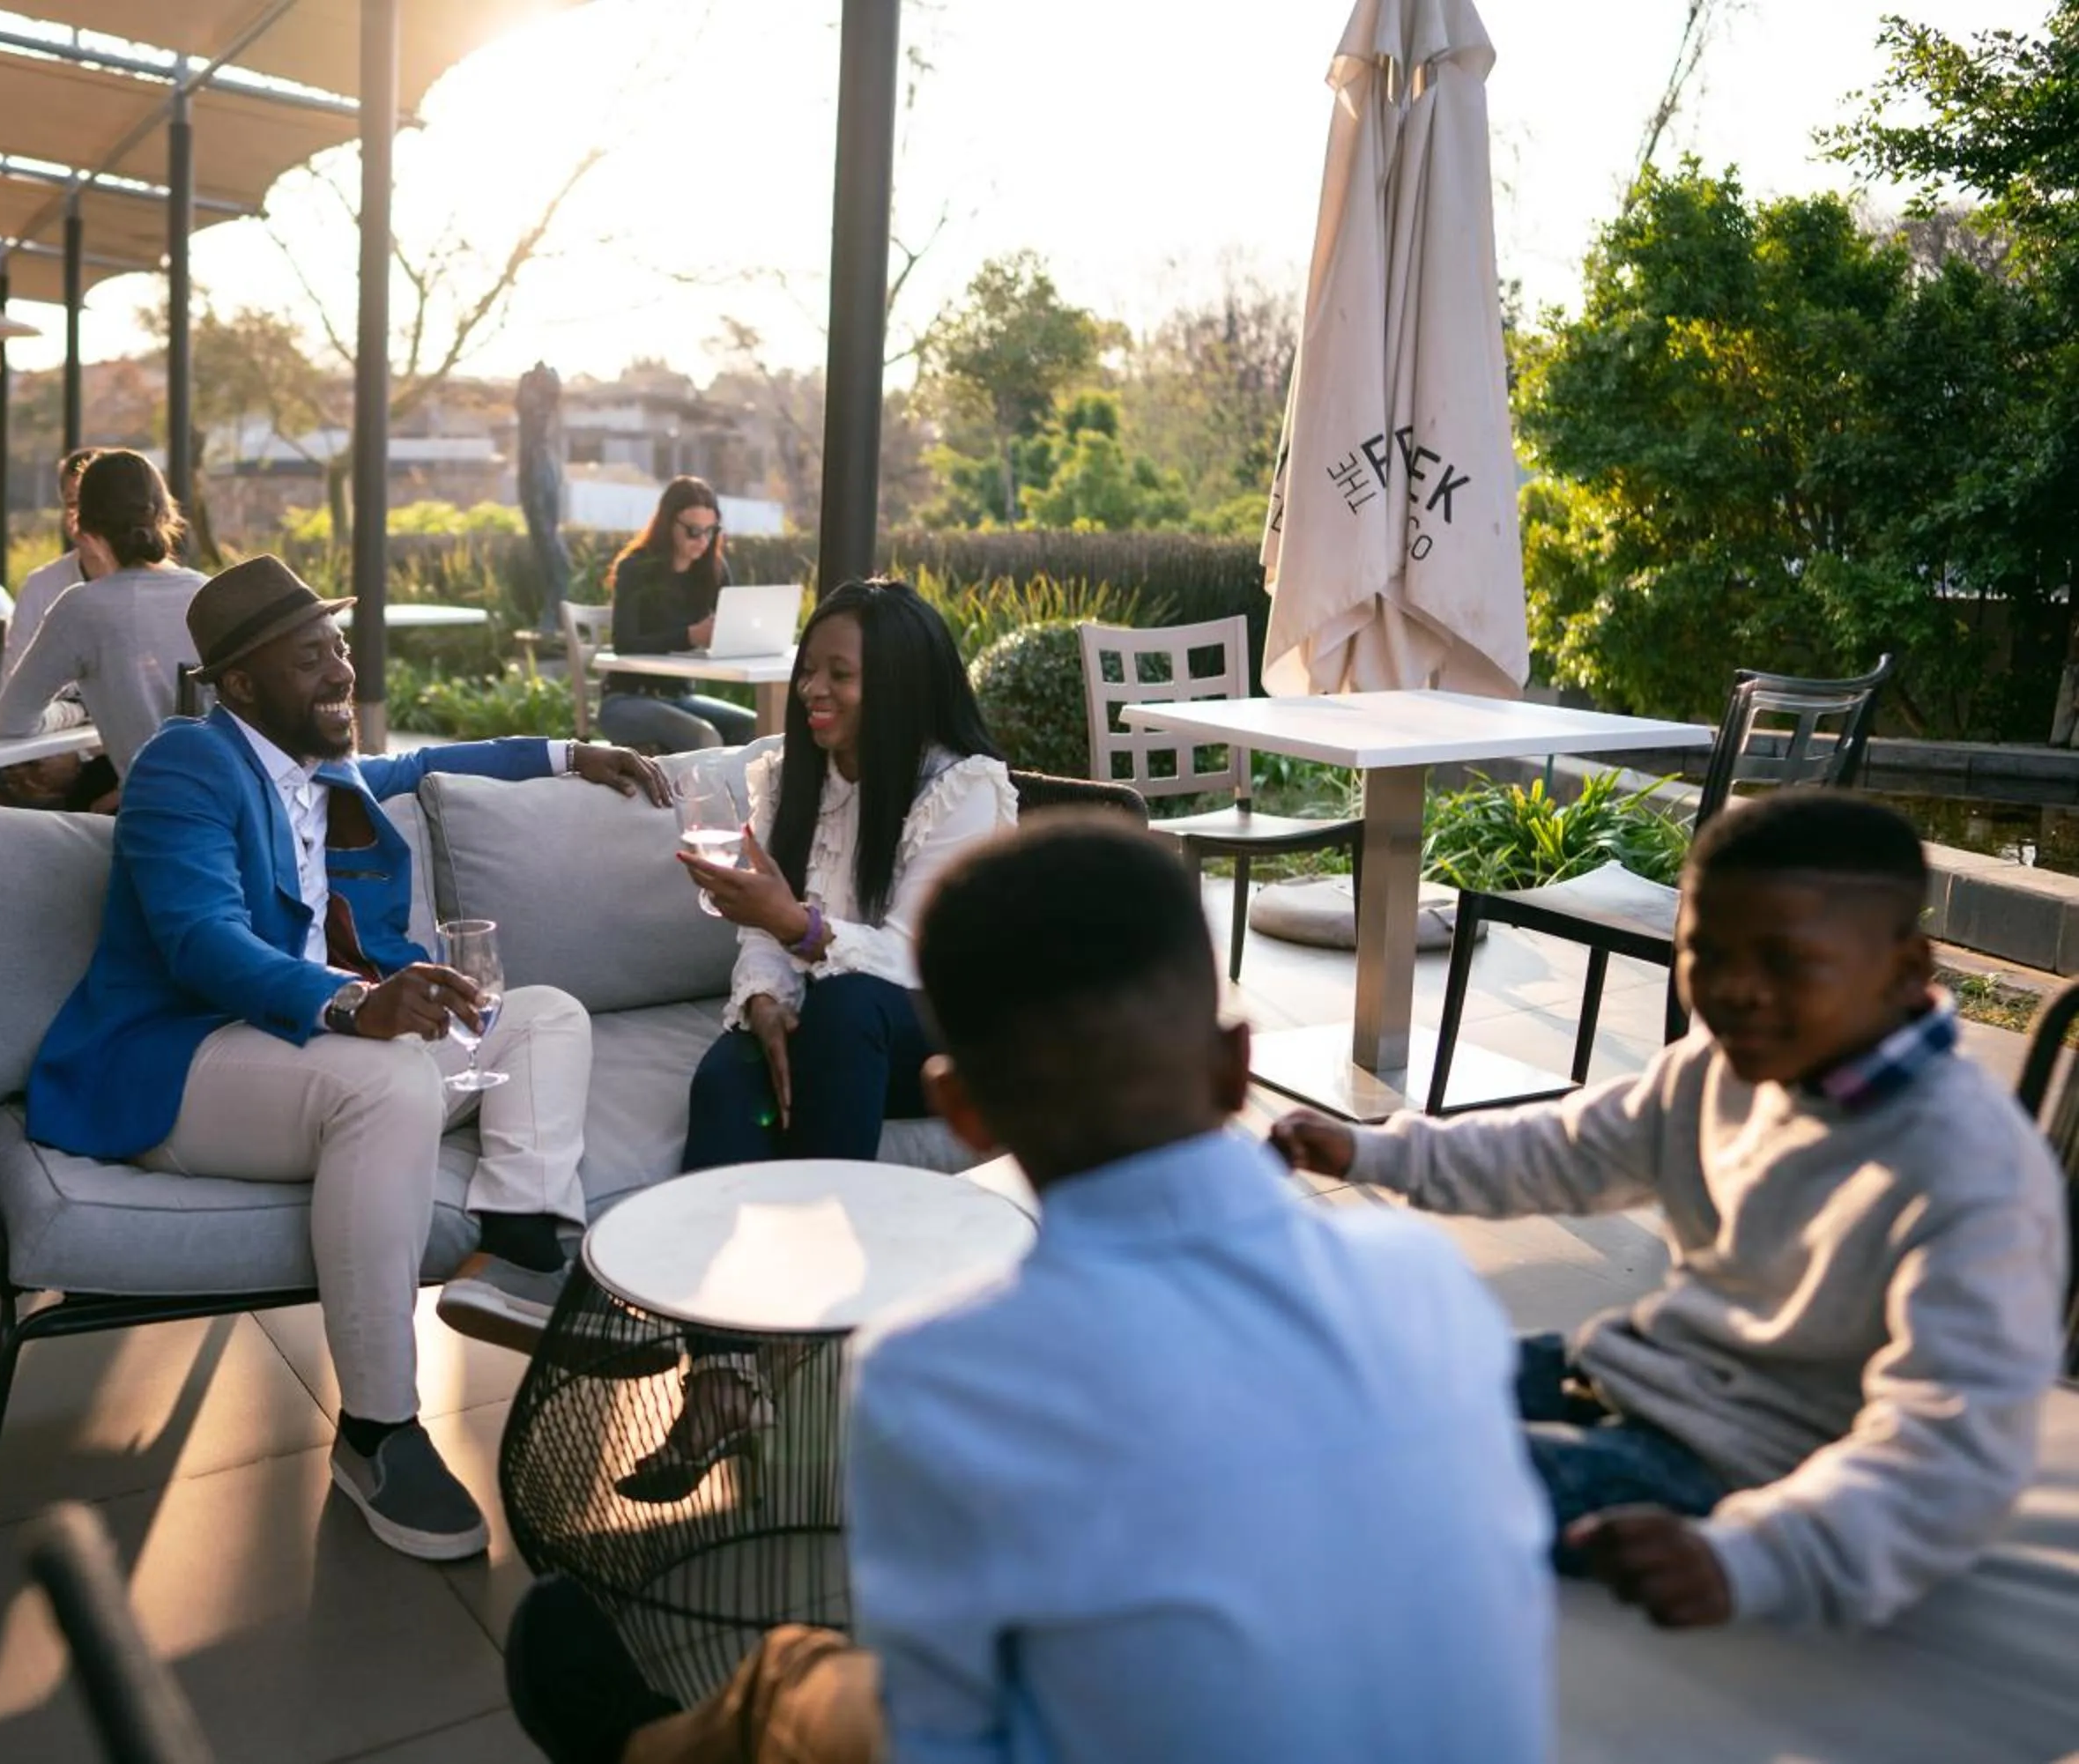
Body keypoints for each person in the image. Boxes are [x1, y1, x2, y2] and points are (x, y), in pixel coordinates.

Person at [505, 819, 1555, 1764]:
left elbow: (942, 1744)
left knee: (799, 1682)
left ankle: (633, 1752)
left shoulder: (933, 1377)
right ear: (1236, 1065)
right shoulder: (1427, 1280)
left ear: (960, 1111)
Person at [1273, 790, 2068, 1632]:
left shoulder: (1969, 1170)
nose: (1733, 991)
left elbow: (1950, 1447)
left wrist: (1754, 1559)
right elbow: (1563, 1150)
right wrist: (1377, 1151)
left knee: (1370, 1482)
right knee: (1355, 1380)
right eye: (1705, 952)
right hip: (1631, 1369)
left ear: (1907, 971)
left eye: (1784, 961)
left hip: (1748, 1465)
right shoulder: (1719, 1068)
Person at [25, 553, 672, 1560]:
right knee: (382, 1080)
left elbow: (422, 767)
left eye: (336, 647)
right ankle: (375, 1431)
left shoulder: (321, 772)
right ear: (239, 686)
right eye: (309, 657)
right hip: (184, 1060)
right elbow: (201, 938)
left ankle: (518, 1249)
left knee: (544, 1013)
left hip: (309, 1050)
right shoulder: (184, 765)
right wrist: (355, 1003)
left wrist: (567, 752)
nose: (338, 671)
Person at [625, 579, 1019, 1503]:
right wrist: (764, 998)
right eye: (811, 671)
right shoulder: (789, 776)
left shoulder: (963, 787)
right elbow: (761, 932)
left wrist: (798, 928)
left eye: (842, 674)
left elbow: (922, 958)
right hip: (836, 1029)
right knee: (729, 1074)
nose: (815, 691)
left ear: (905, 686)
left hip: (944, 1033)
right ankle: (721, 1376)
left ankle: (810, 1327)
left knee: (843, 1006)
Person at [0, 448, 205, 787]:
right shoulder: (209, 594)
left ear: (84, 526)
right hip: (238, 815)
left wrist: (74, 712)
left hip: (153, 820)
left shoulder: (82, 607)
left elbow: (11, 720)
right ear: (166, 513)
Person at [598, 477, 755, 755]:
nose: (703, 541)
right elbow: (625, 644)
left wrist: (735, 635)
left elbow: (730, 624)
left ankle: (747, 800)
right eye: (694, 531)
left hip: (680, 698)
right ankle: (703, 801)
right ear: (668, 523)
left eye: (711, 531)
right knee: (703, 736)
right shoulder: (635, 568)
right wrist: (690, 636)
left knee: (756, 728)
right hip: (626, 700)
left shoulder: (713, 570)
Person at [9, 447, 101, 662]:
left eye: (94, 503)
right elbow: (13, 676)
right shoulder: (40, 586)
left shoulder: (158, 592)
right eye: (72, 503)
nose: (82, 515)